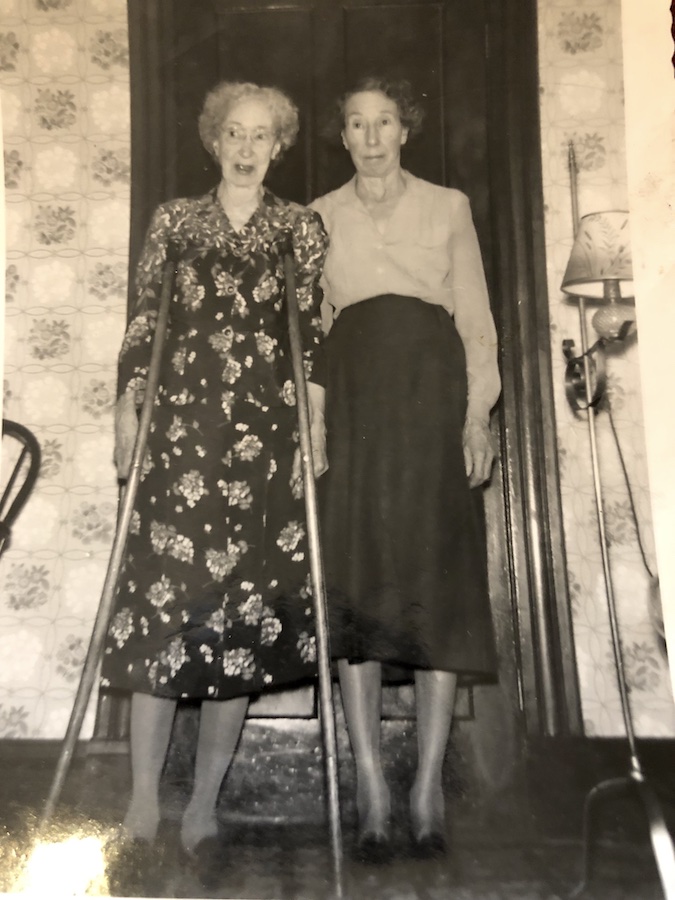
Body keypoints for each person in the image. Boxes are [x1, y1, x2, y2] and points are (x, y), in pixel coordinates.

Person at [101, 80, 328, 887]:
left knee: (236, 629)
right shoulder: (175, 221)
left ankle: (202, 805)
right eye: (233, 132)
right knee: (162, 622)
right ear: (213, 139)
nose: (244, 146)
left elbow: (311, 339)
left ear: (279, 145)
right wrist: (129, 413)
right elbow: (141, 323)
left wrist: (314, 426)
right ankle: (139, 801)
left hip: (256, 453)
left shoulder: (298, 228)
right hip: (180, 442)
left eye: (260, 135)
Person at [310, 76, 501, 861]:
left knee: (435, 588)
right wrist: (314, 425)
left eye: (382, 121)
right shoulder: (317, 216)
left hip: (431, 402)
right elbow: (313, 331)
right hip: (353, 407)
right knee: (356, 589)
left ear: (403, 129)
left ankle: (425, 786)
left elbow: (477, 323)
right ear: (344, 137)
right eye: (355, 124)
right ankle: (371, 788)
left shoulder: (447, 206)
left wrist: (475, 415)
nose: (370, 136)